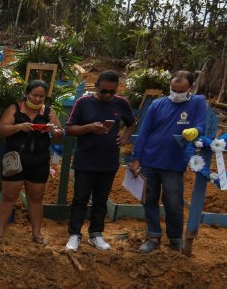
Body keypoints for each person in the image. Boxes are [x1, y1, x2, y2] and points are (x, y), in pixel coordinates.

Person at [130, 70, 207, 252]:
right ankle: (153, 236)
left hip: (174, 163)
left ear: (190, 88)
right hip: (149, 160)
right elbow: (144, 132)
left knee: (173, 201)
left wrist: (195, 131)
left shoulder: (197, 102)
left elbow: (202, 124)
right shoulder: (157, 104)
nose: (176, 93)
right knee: (149, 200)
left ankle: (174, 238)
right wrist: (136, 157)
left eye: (181, 91)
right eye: (173, 89)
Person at [65, 70, 135, 251]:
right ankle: (74, 234)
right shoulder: (83, 103)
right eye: (104, 91)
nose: (108, 95)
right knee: (80, 199)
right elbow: (70, 129)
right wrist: (89, 127)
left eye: (112, 92)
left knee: (101, 199)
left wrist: (125, 137)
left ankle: (96, 234)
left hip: (108, 160)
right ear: (96, 87)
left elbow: (131, 122)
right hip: (85, 159)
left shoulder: (121, 103)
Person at [0, 80, 64, 244]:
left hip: (39, 160)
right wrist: (19, 127)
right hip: (15, 160)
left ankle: (37, 234)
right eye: (34, 95)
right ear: (27, 94)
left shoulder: (49, 111)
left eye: (42, 96)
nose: (38, 99)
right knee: (9, 197)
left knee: (36, 198)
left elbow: (60, 134)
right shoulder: (15, 108)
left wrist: (54, 130)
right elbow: (1, 129)